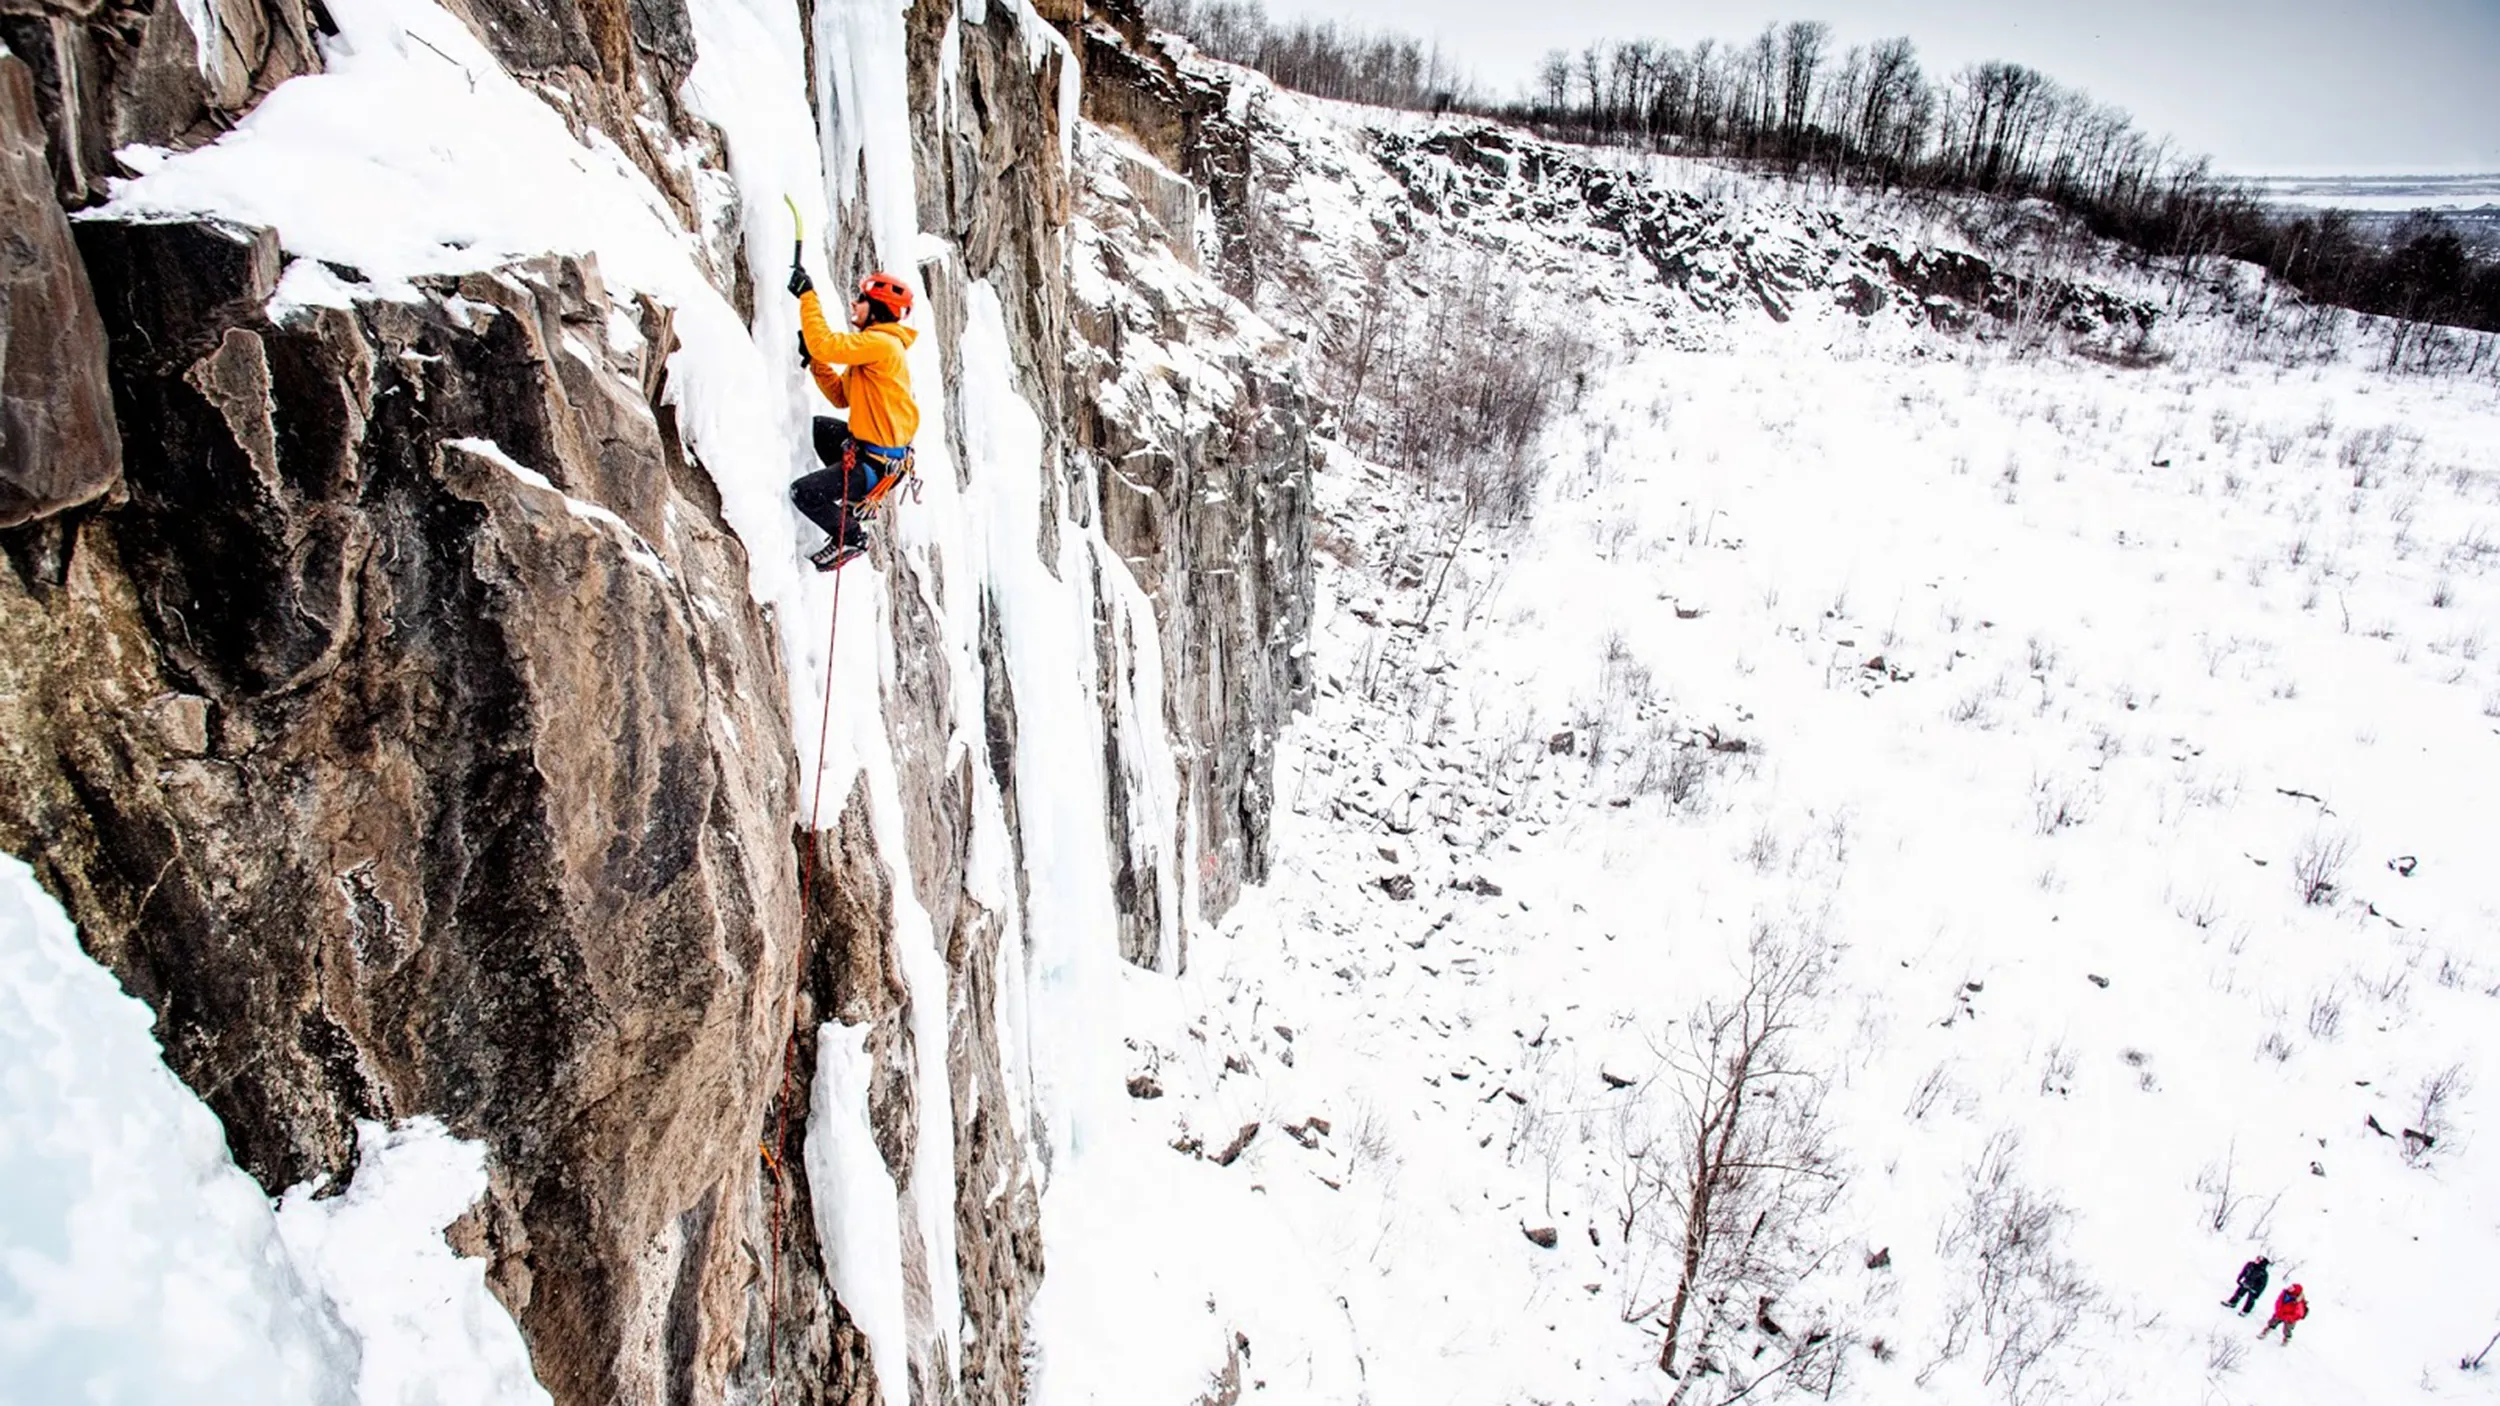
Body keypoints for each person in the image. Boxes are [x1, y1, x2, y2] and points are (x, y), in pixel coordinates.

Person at [786, 262, 919, 571]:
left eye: (861, 299)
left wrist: (807, 296)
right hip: (871, 454)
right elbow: (840, 396)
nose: (854, 304)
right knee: (814, 428)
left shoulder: (881, 344)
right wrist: (816, 362)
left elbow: (825, 344)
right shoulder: (875, 347)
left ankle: (851, 536)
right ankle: (845, 501)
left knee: (804, 492)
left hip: (875, 464)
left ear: (877, 310)